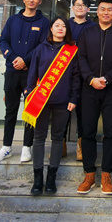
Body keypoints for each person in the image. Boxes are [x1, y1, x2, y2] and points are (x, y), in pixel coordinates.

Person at [0, 0, 49, 163]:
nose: (31, 0)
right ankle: (6, 147)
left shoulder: (43, 22)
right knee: (10, 110)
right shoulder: (13, 20)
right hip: (11, 71)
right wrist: (14, 58)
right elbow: (3, 41)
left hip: (31, 74)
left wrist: (26, 61)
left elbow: (42, 46)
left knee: (30, 111)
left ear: (40, 1)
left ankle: (26, 147)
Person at [76, 0, 112, 195]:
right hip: (89, 89)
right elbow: (80, 58)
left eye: (109, 9)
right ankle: (89, 173)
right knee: (88, 131)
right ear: (97, 12)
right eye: (102, 9)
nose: (106, 12)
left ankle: (107, 173)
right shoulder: (87, 33)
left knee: (111, 132)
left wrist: (107, 78)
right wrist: (91, 79)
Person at [26, 16, 80, 195]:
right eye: (57, 25)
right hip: (40, 101)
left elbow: (76, 76)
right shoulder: (40, 48)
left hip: (63, 101)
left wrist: (74, 98)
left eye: (64, 26)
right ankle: (37, 179)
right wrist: (29, 93)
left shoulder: (72, 50)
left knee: (57, 138)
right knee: (39, 138)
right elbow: (32, 73)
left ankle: (51, 178)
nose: (60, 28)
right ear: (51, 28)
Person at [67, 0, 97, 161]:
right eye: (77, 5)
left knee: (82, 112)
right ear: (73, 8)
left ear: (88, 9)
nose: (80, 7)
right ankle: (61, 143)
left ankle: (81, 144)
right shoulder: (65, 25)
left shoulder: (93, 27)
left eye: (83, 5)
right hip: (65, 72)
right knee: (62, 108)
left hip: (85, 74)